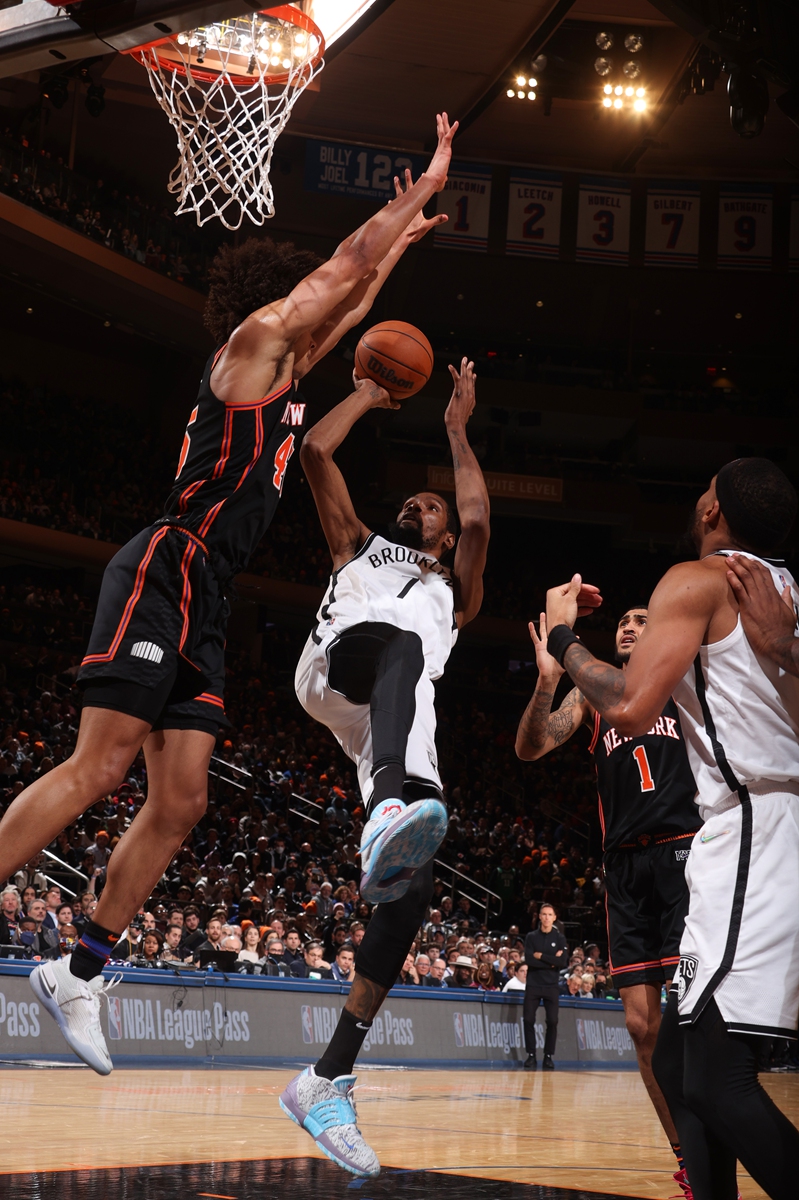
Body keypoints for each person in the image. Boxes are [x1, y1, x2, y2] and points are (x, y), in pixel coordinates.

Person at [0, 111, 457, 1078]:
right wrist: (414, 193)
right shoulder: (251, 349)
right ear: (269, 303)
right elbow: (337, 272)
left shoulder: (292, 381)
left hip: (208, 596)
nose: (325, 318)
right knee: (101, 766)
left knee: (182, 800)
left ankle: (79, 971)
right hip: (167, 565)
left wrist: (398, 252)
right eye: (308, 306)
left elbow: (350, 296)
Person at [543, 458, 799, 1200]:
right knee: (682, 1064)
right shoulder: (785, 592)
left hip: (753, 825)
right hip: (748, 827)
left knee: (717, 1081)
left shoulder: (697, 578)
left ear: (712, 508)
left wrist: (562, 639)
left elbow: (624, 701)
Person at [280, 346, 493, 1178]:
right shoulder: (360, 546)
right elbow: (314, 453)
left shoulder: (456, 588)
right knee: (400, 645)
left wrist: (453, 429)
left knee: (411, 899)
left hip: (400, 722)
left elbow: (477, 519)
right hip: (340, 666)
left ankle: (327, 1076)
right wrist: (367, 393)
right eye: (411, 499)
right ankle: (382, 812)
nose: (419, 506)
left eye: (428, 504)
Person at [516, 603, 699, 1177]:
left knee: (693, 1019)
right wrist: (548, 682)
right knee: (642, 1026)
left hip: (685, 854)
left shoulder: (684, 680)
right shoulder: (594, 699)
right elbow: (532, 746)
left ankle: (715, 1144)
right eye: (622, 619)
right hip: (623, 870)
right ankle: (685, 1158)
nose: (628, 625)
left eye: (643, 619)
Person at [522, 904, 567, 1071]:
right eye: (544, 914)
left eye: (550, 914)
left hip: (551, 986)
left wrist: (541, 956)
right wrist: (551, 962)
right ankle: (531, 1055)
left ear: (554, 917)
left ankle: (548, 1056)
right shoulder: (531, 937)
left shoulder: (560, 938)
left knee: (553, 1021)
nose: (547, 917)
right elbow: (529, 960)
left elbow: (562, 962)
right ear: (539, 916)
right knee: (528, 1019)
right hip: (533, 984)